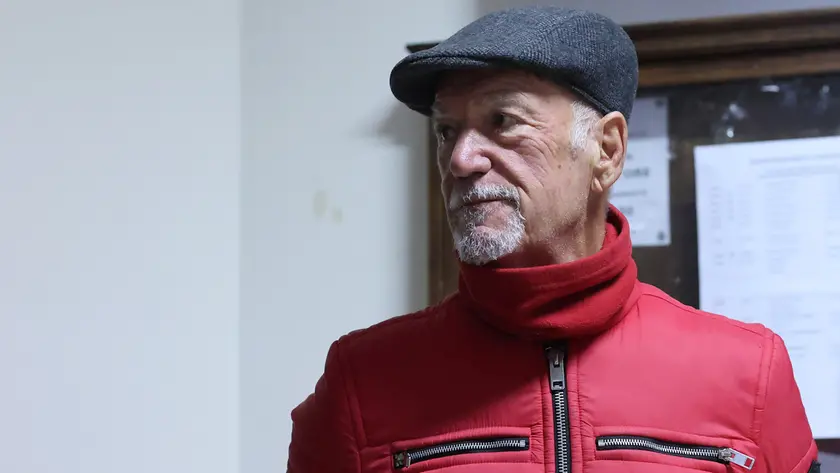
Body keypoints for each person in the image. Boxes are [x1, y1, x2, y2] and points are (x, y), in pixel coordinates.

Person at [287, 6, 819, 473]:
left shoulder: (749, 373)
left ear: (606, 151)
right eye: (447, 131)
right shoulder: (363, 381)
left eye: (503, 121)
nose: (460, 159)